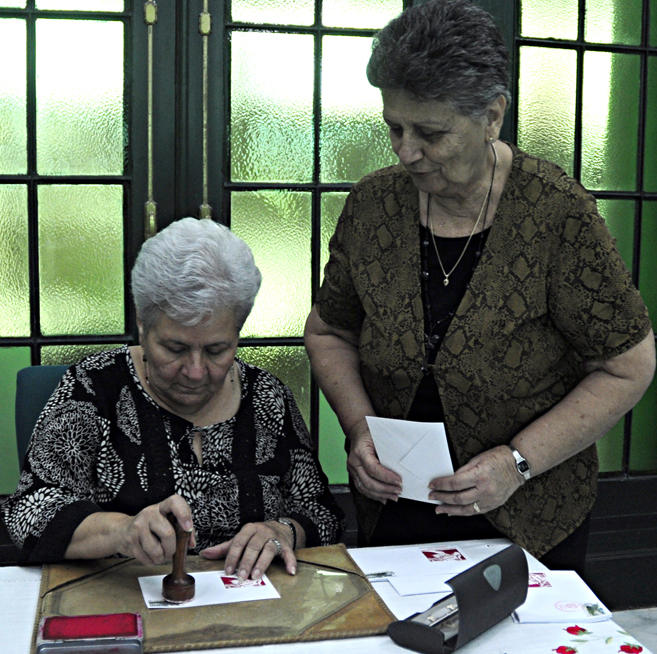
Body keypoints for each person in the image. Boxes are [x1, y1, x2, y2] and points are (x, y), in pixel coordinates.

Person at [304, 0, 654, 571]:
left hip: (529, 517)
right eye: (394, 127)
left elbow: (627, 365)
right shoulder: (373, 205)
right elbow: (329, 331)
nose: (405, 150)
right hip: (396, 509)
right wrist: (358, 428)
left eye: (431, 133)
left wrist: (517, 463)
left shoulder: (556, 213)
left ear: (492, 116)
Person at [3, 218, 343, 578]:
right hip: (124, 605)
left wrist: (283, 531)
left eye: (216, 349)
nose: (195, 371)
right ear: (142, 326)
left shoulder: (267, 397)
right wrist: (121, 530)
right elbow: (29, 513)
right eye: (175, 348)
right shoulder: (93, 390)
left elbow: (322, 513)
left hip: (251, 605)